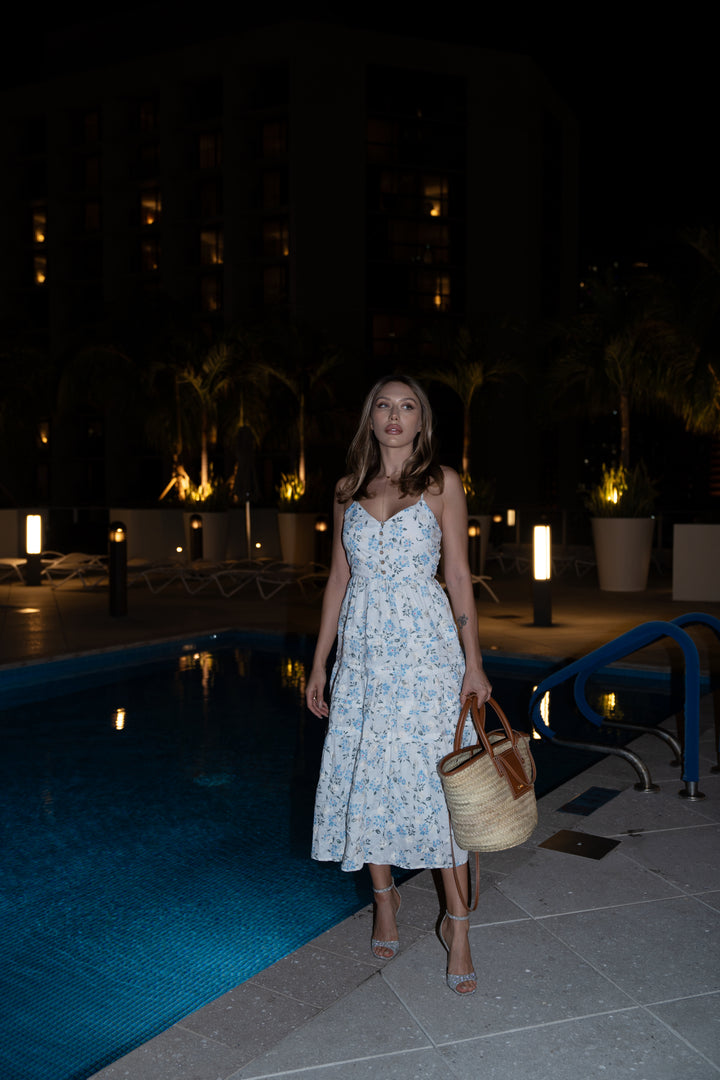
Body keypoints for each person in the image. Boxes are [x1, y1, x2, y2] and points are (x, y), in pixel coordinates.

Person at [306, 375, 492, 995]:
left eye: (407, 406)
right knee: (367, 773)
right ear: (371, 418)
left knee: (437, 786)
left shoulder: (442, 484)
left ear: (421, 421)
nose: (394, 415)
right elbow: (338, 580)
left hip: (425, 654)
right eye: (384, 405)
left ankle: (458, 923)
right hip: (362, 657)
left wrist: (473, 663)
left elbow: (458, 575)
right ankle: (385, 897)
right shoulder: (346, 490)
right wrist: (319, 662)